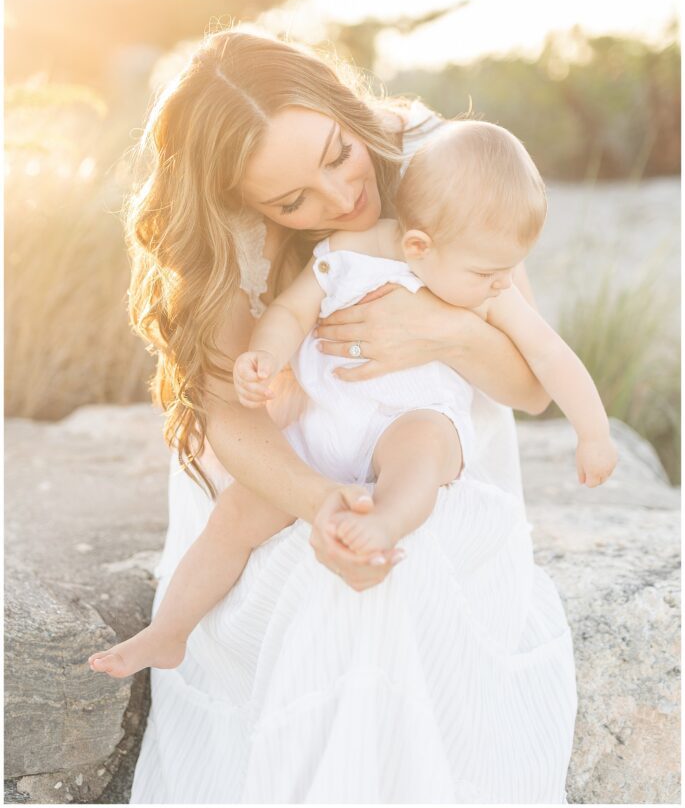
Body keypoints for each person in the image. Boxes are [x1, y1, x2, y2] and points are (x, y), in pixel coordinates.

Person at [124, 28, 578, 803]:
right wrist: (319, 505)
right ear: (239, 200)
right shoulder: (224, 230)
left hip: (422, 457)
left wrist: (444, 329)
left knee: (402, 580)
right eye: (290, 201)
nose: (339, 199)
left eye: (338, 154)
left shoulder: (437, 158)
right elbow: (231, 418)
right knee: (324, 592)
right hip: (277, 469)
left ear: (345, 106)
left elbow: (530, 391)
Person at [89, 120, 616, 680]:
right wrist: (262, 358)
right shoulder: (344, 253)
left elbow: (549, 355)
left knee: (423, 450)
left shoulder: (486, 282)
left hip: (413, 419)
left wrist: (594, 432)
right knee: (237, 512)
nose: (500, 282)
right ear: (418, 246)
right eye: (489, 273)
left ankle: (384, 525)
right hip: (322, 432)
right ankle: (169, 632)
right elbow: (290, 312)